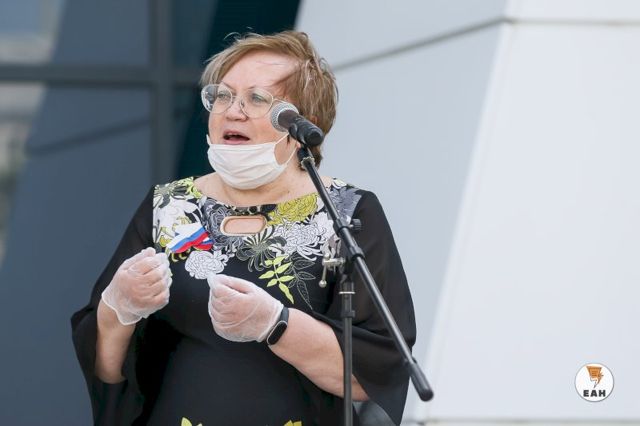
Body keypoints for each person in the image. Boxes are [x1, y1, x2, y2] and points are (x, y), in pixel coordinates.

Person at [71, 31, 416, 426]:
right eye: (222, 96)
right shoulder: (167, 207)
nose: (233, 111)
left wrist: (275, 323)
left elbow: (373, 372)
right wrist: (117, 308)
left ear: (305, 125)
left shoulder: (347, 213)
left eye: (257, 99)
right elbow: (105, 370)